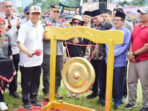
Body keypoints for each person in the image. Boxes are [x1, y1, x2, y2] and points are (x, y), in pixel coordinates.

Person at [17, 6, 44, 110]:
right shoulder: (24, 27)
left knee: (36, 81)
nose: (35, 16)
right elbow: (20, 43)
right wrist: (27, 52)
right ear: (29, 14)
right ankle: (26, 100)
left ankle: (34, 99)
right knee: (26, 82)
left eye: (37, 14)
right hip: (27, 60)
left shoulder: (41, 26)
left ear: (40, 15)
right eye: (33, 14)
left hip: (38, 60)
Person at [106, 10, 131, 109]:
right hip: (109, 60)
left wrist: (114, 53)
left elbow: (126, 46)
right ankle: (110, 97)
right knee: (110, 81)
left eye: (118, 20)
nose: (115, 22)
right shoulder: (110, 31)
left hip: (120, 61)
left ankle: (118, 100)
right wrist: (110, 53)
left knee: (118, 82)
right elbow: (107, 44)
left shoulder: (127, 32)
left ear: (123, 21)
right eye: (114, 19)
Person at [124, 7, 148, 111]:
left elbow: (147, 46)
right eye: (140, 13)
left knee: (145, 84)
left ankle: (146, 105)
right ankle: (131, 102)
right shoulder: (137, 27)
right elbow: (132, 41)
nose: (140, 15)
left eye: (143, 14)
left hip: (144, 60)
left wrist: (134, 53)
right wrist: (130, 52)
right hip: (133, 59)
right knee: (131, 81)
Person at [87, 9, 112, 106]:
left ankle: (102, 96)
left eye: (96, 18)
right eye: (93, 19)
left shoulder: (108, 26)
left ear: (102, 16)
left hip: (103, 56)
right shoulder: (92, 26)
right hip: (94, 55)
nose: (95, 21)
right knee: (94, 75)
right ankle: (94, 92)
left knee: (102, 77)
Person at [42, 4, 64, 101]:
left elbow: (64, 37)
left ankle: (55, 91)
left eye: (57, 12)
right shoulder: (44, 22)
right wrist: (57, 36)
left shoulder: (62, 23)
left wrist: (54, 36)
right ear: (50, 11)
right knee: (47, 72)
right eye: (54, 11)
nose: (56, 13)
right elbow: (43, 37)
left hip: (59, 51)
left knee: (58, 72)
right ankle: (47, 91)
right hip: (48, 51)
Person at [3, 0, 21, 98]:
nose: (9, 8)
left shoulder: (18, 19)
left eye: (10, 6)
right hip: (3, 51)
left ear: (12, 7)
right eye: (6, 6)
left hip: (15, 50)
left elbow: (22, 36)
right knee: (3, 71)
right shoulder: (1, 19)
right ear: (3, 7)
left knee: (14, 71)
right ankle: (3, 89)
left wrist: (19, 28)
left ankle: (13, 90)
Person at [66, 15, 85, 99]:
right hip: (70, 56)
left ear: (81, 24)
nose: (76, 24)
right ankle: (70, 92)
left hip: (80, 57)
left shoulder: (84, 32)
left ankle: (78, 92)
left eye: (78, 23)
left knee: (79, 75)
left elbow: (85, 43)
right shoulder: (68, 32)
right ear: (72, 24)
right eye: (74, 23)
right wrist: (71, 41)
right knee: (70, 74)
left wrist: (79, 41)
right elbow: (64, 42)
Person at [0, 17, 15, 110]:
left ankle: (1, 101)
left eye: (1, 24)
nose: (0, 26)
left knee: (3, 83)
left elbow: (9, 51)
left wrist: (11, 63)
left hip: (4, 63)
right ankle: (1, 101)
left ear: (4, 25)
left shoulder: (7, 36)